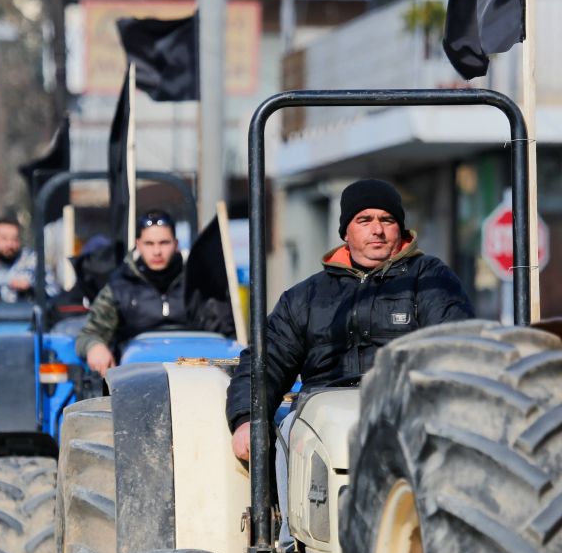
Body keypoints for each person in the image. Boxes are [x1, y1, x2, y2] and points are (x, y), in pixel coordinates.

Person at [226, 179, 475, 463]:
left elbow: (453, 349)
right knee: (277, 447)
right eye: (364, 220)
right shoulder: (306, 296)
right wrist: (246, 418)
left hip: (404, 416)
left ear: (400, 228)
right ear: (346, 231)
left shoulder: (430, 280)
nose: (377, 230)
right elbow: (266, 361)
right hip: (319, 421)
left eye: (387, 220)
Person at [76, 210, 190, 376]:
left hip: (193, 372)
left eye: (164, 243)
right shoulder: (119, 287)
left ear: (176, 243)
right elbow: (88, 334)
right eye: (149, 243)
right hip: (136, 378)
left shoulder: (197, 284)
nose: (157, 251)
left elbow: (226, 332)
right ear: (138, 244)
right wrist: (95, 346)